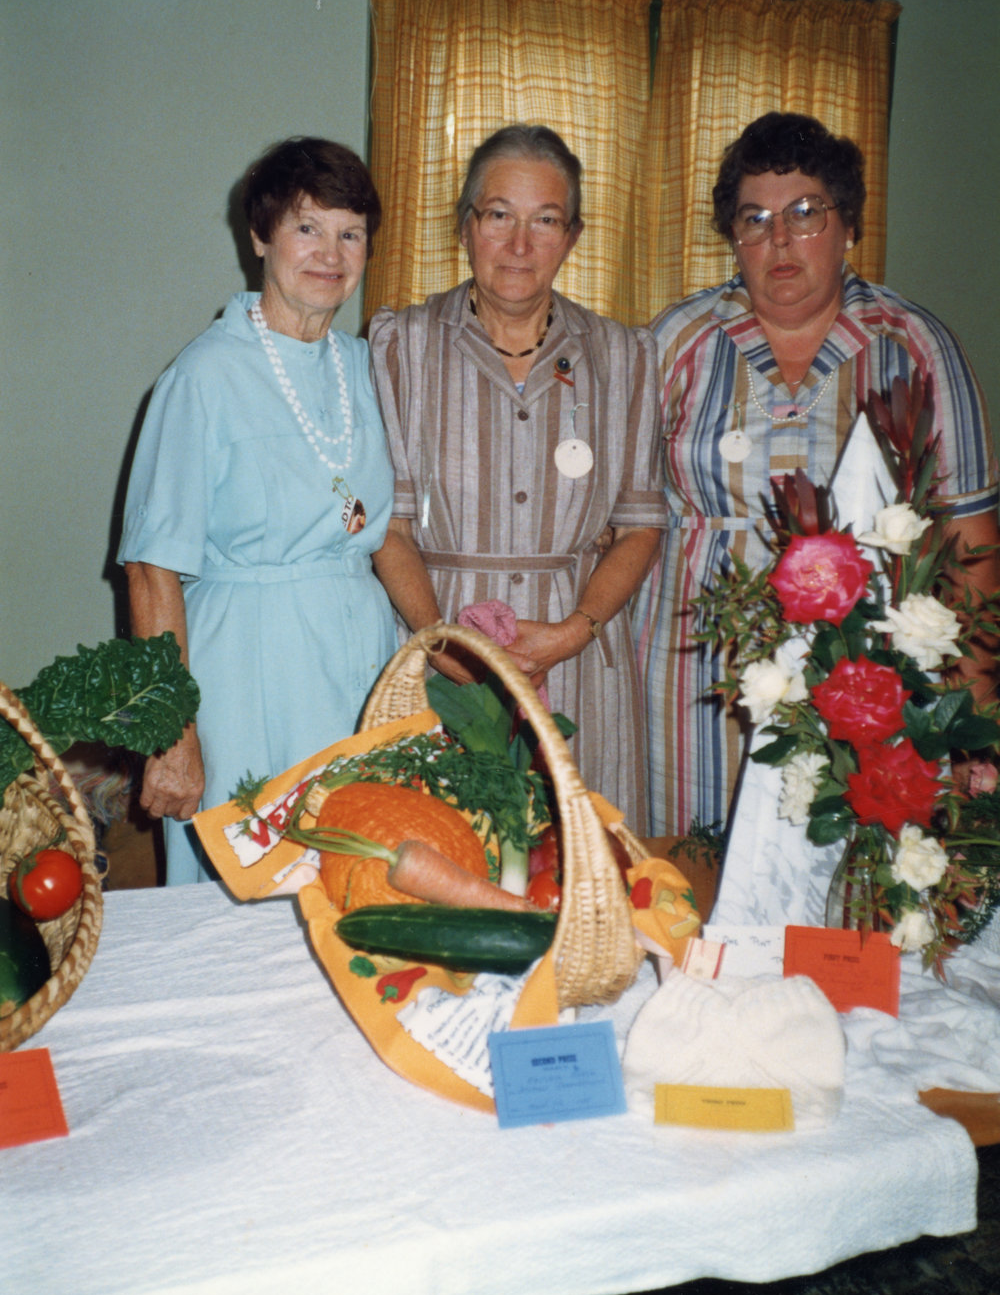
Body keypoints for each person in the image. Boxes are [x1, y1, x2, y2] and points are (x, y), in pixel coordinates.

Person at [633, 110, 999, 838]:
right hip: (690, 680)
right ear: (733, 238)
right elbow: (618, 512)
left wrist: (973, 731)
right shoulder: (678, 340)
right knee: (691, 879)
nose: (780, 239)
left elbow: (971, 543)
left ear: (849, 225)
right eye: (754, 218)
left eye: (805, 212)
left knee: (834, 880)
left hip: (866, 674)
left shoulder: (915, 344)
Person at [369, 124, 667, 833]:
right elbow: (389, 524)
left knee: (581, 874)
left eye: (545, 220)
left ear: (572, 235)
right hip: (439, 657)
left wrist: (573, 631)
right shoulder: (401, 345)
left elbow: (640, 525)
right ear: (467, 226)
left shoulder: (624, 355)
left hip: (576, 660)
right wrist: (442, 643)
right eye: (499, 215)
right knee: (440, 862)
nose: (519, 243)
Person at [119, 138, 397, 882]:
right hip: (247, 670)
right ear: (260, 235)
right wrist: (171, 735)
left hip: (357, 664)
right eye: (308, 227)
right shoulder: (203, 376)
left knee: (359, 878)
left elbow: (379, 526)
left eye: (351, 233)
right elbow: (152, 569)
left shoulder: (366, 367)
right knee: (253, 891)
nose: (330, 253)